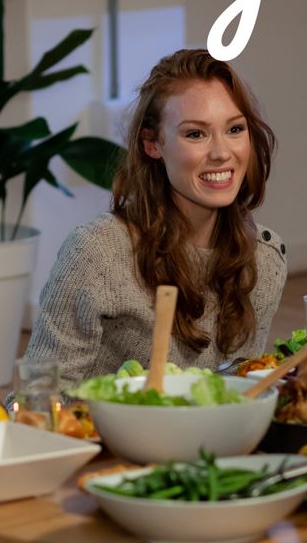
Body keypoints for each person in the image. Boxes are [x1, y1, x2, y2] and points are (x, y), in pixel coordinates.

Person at [24, 49, 287, 388]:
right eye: (196, 134)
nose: (222, 153)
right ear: (153, 144)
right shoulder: (97, 252)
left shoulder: (265, 259)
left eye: (235, 129)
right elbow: (39, 393)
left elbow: (241, 391)